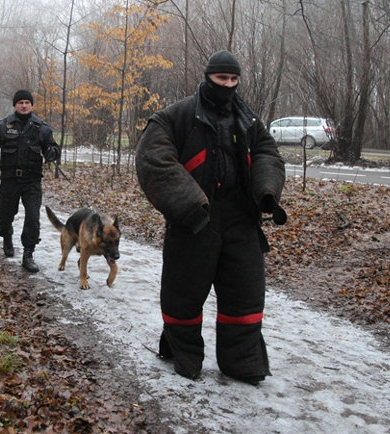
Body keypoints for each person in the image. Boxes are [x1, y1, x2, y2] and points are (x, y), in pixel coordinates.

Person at [135, 51, 286, 384]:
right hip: (194, 219)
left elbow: (267, 153)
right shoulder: (177, 116)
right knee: (183, 295)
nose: (228, 86)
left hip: (241, 219)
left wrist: (267, 191)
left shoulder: (247, 119)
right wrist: (190, 205)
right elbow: (153, 159)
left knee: (244, 294)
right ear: (208, 78)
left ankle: (243, 363)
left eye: (234, 80)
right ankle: (184, 357)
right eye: (222, 79)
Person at [0, 89, 60, 272]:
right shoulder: (3, 126)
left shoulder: (41, 128)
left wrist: (53, 152)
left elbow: (51, 147)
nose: (23, 105)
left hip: (32, 181)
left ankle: (28, 254)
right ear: (15, 105)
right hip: (10, 179)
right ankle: (6, 235)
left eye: (27, 103)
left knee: (32, 217)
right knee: (4, 215)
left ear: (31, 105)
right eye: (20, 102)